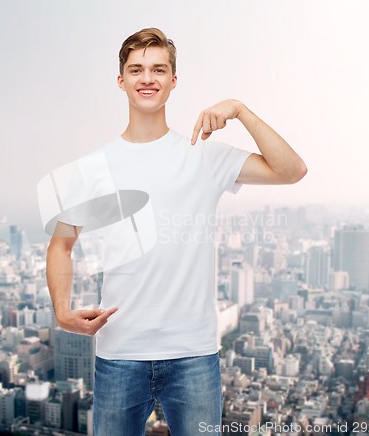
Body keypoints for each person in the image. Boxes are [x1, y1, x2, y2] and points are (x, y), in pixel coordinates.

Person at [44, 27, 307, 436]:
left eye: (158, 69)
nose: (147, 78)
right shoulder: (95, 167)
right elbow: (61, 244)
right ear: (121, 81)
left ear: (173, 81)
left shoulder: (203, 155)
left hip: (194, 355)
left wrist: (240, 109)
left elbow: (292, 171)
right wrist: (61, 311)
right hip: (119, 353)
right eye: (136, 69)